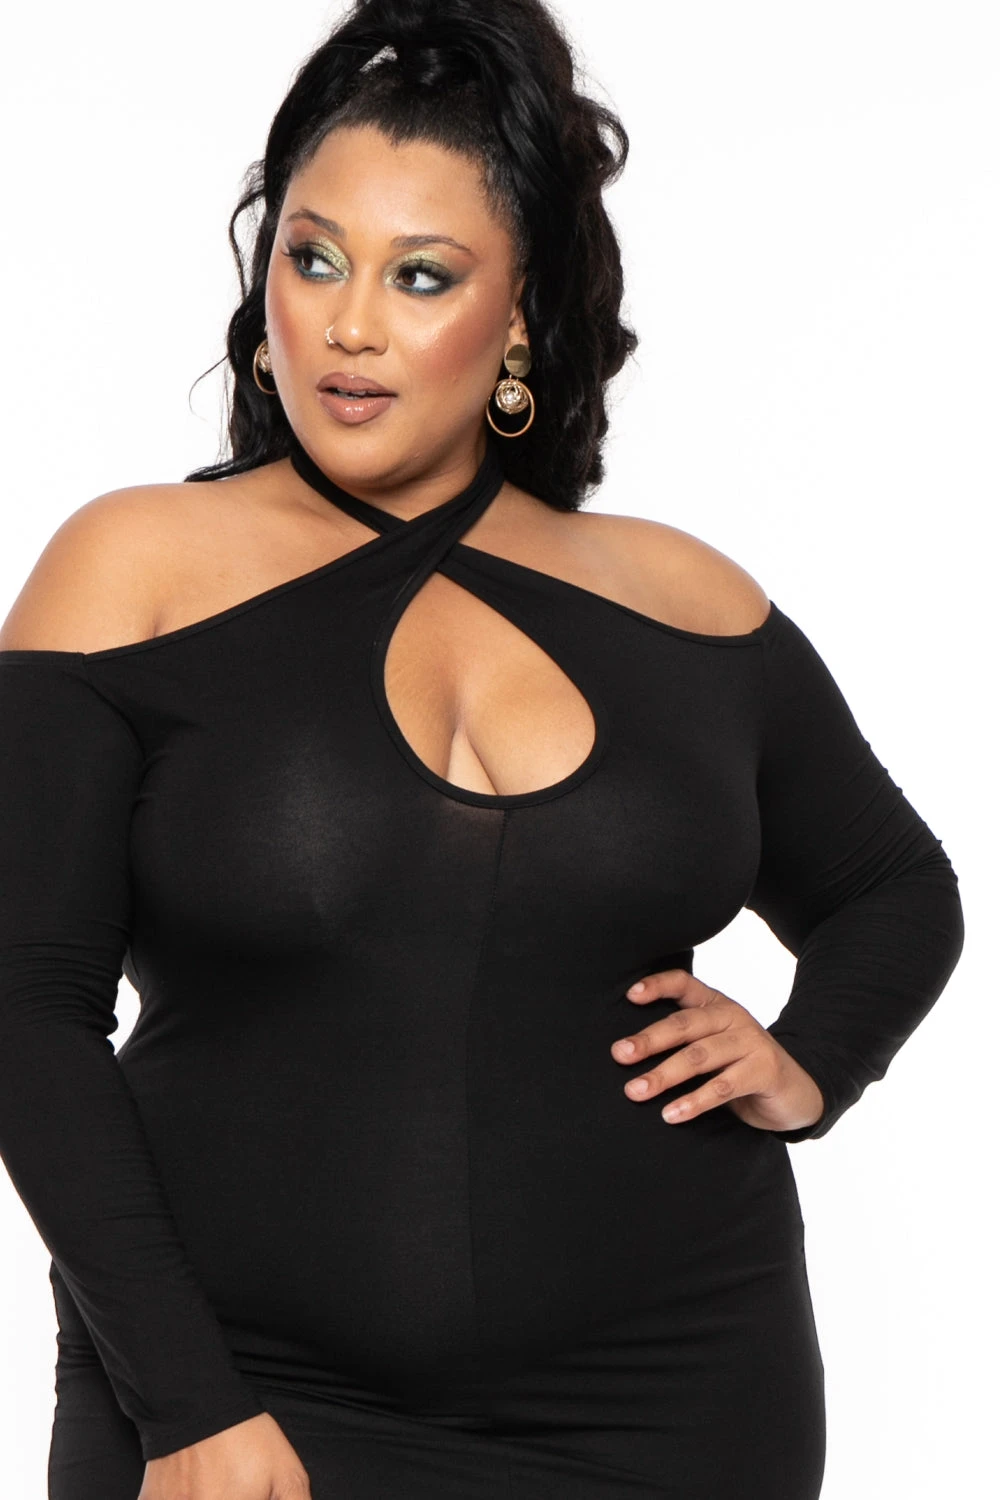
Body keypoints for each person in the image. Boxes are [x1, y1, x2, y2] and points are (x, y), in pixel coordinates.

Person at [0, 1, 965, 1497]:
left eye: (422, 275)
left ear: (520, 317)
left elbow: (895, 888)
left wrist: (814, 1061)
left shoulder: (681, 597)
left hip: (679, 1404)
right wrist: (184, 1405)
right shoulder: (130, 571)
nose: (350, 325)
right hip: (248, 1401)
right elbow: (24, 1006)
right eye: (313, 257)